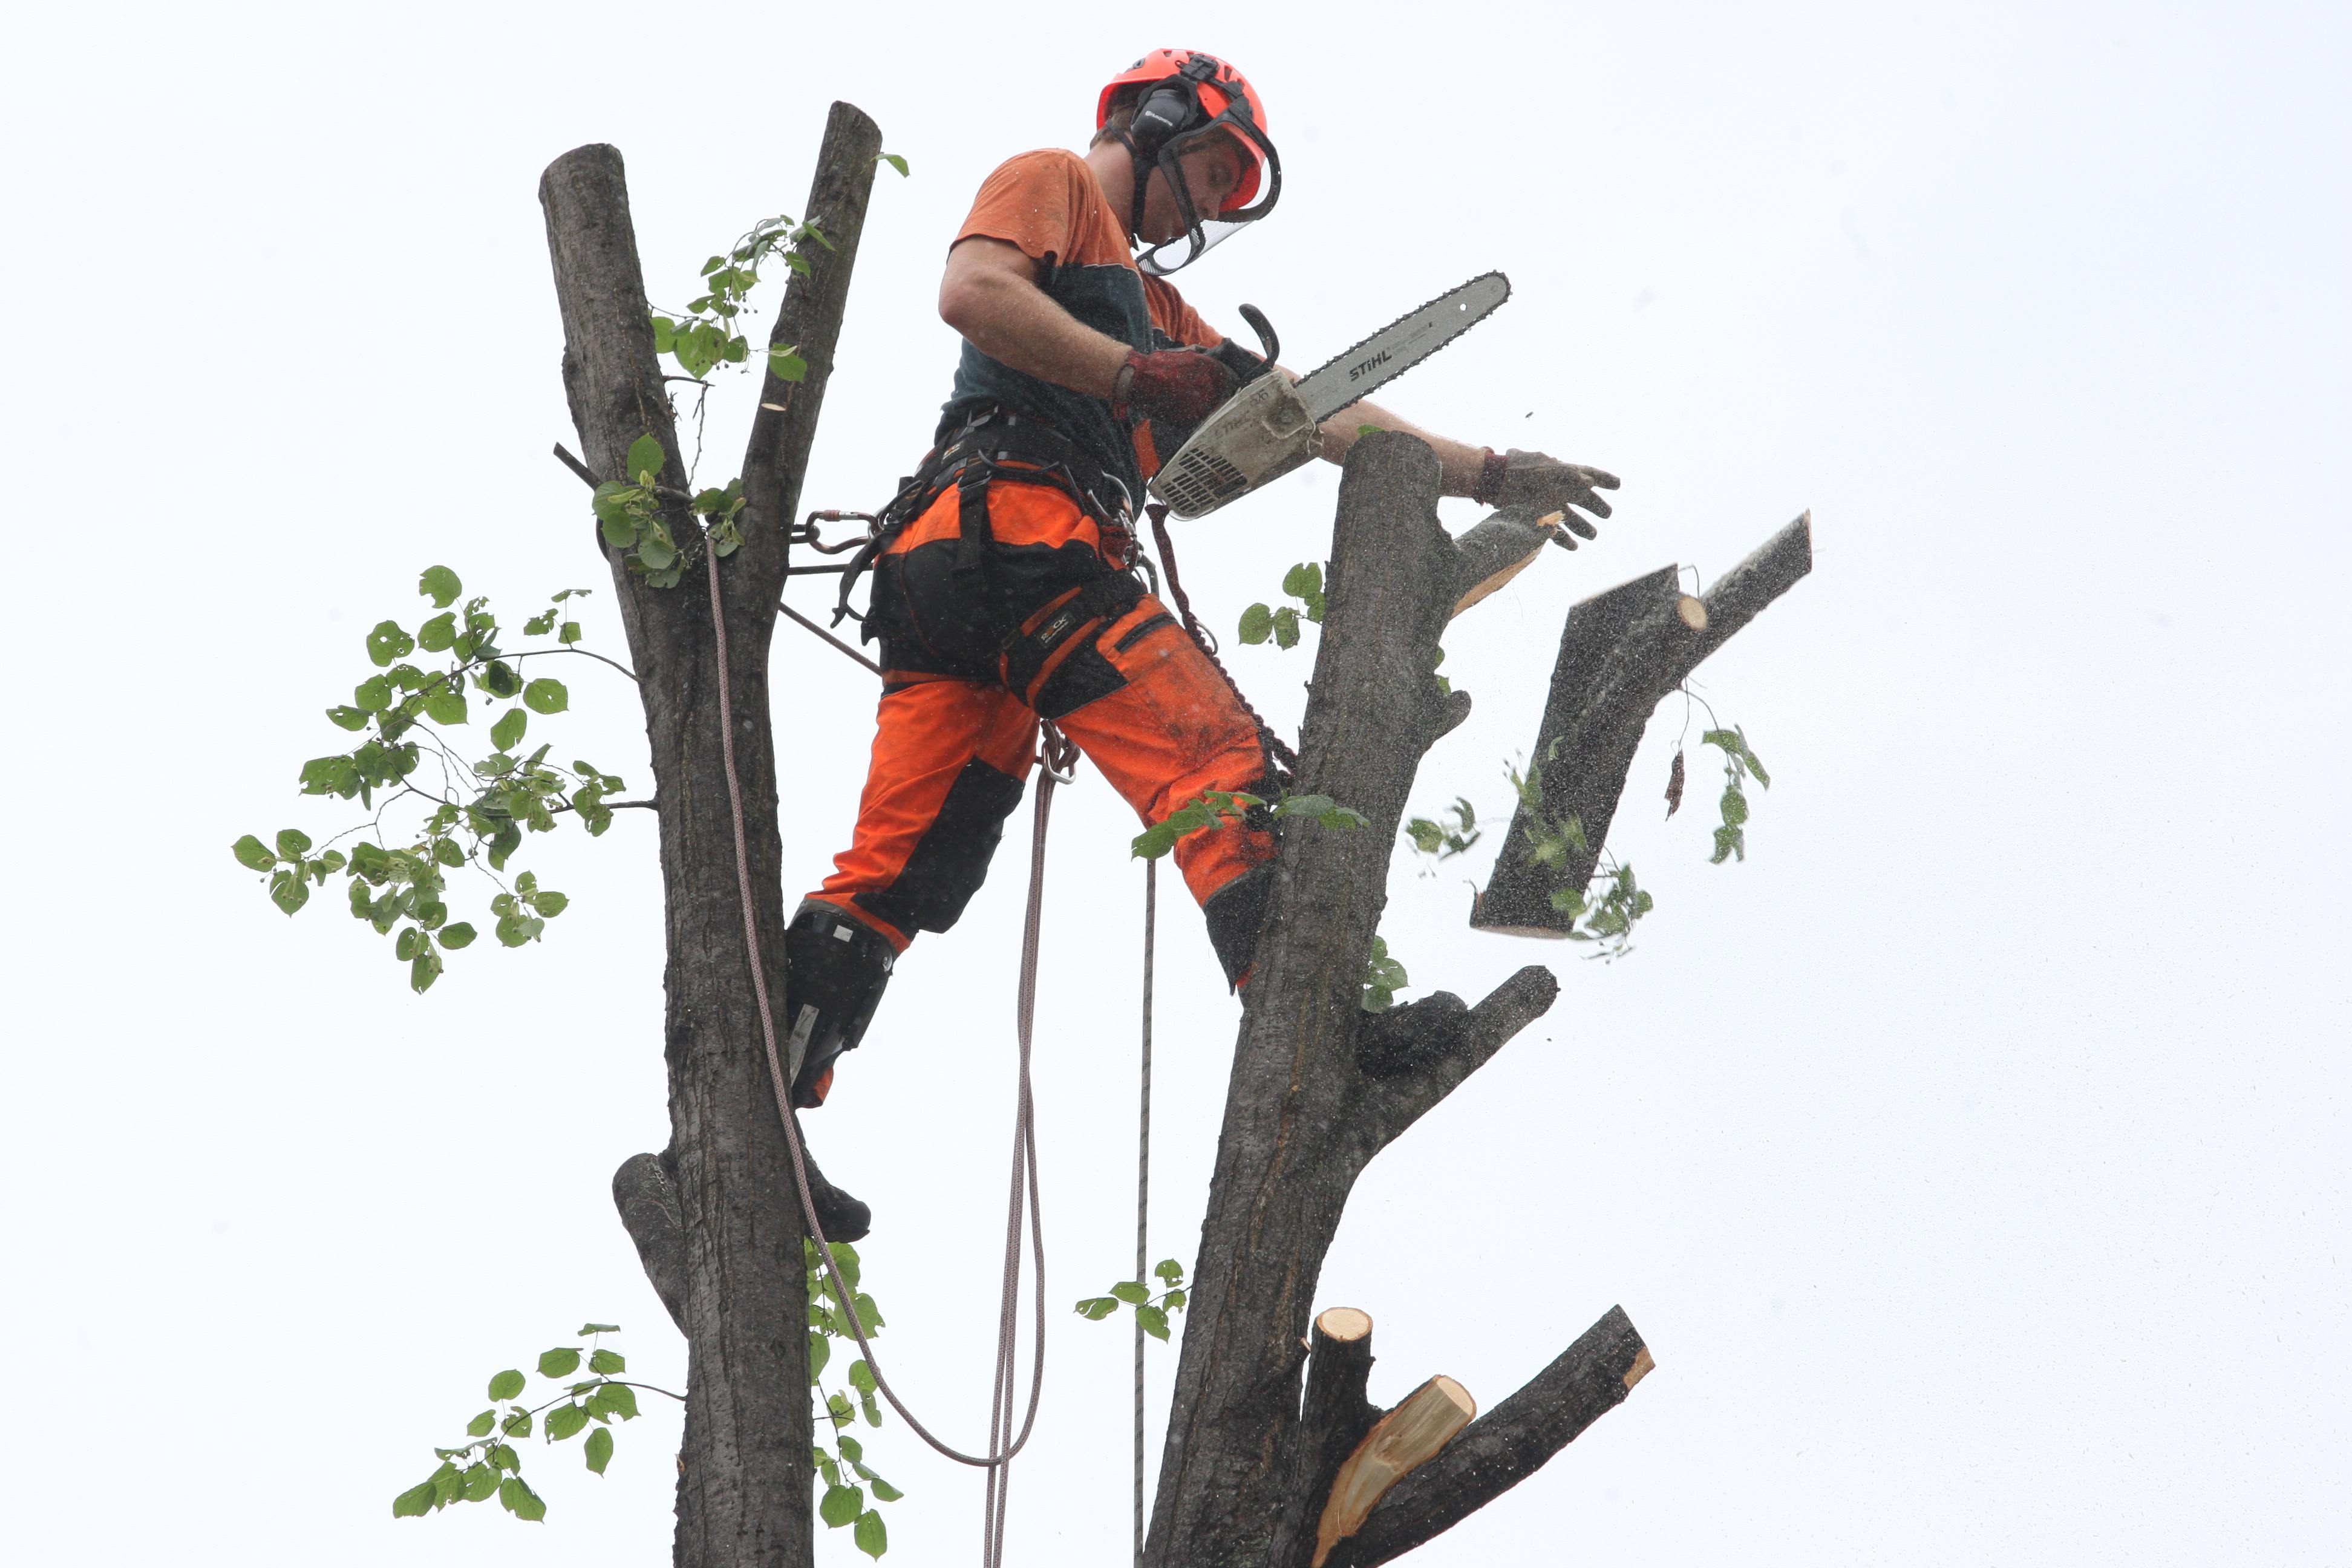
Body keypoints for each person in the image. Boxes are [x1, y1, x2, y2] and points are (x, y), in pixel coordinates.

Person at [783, 48, 1618, 1154]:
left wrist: (1491, 472)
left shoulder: (1160, 306)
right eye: (1215, 168)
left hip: (947, 584)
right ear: (1161, 117)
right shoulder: (1056, 184)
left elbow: (1309, 414)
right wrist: (1132, 377)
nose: (1215, 200)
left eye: (1235, 192)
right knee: (1215, 765)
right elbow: (973, 293)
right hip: (1022, 539)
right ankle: (1319, 1033)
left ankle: (761, 1110)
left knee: (904, 865)